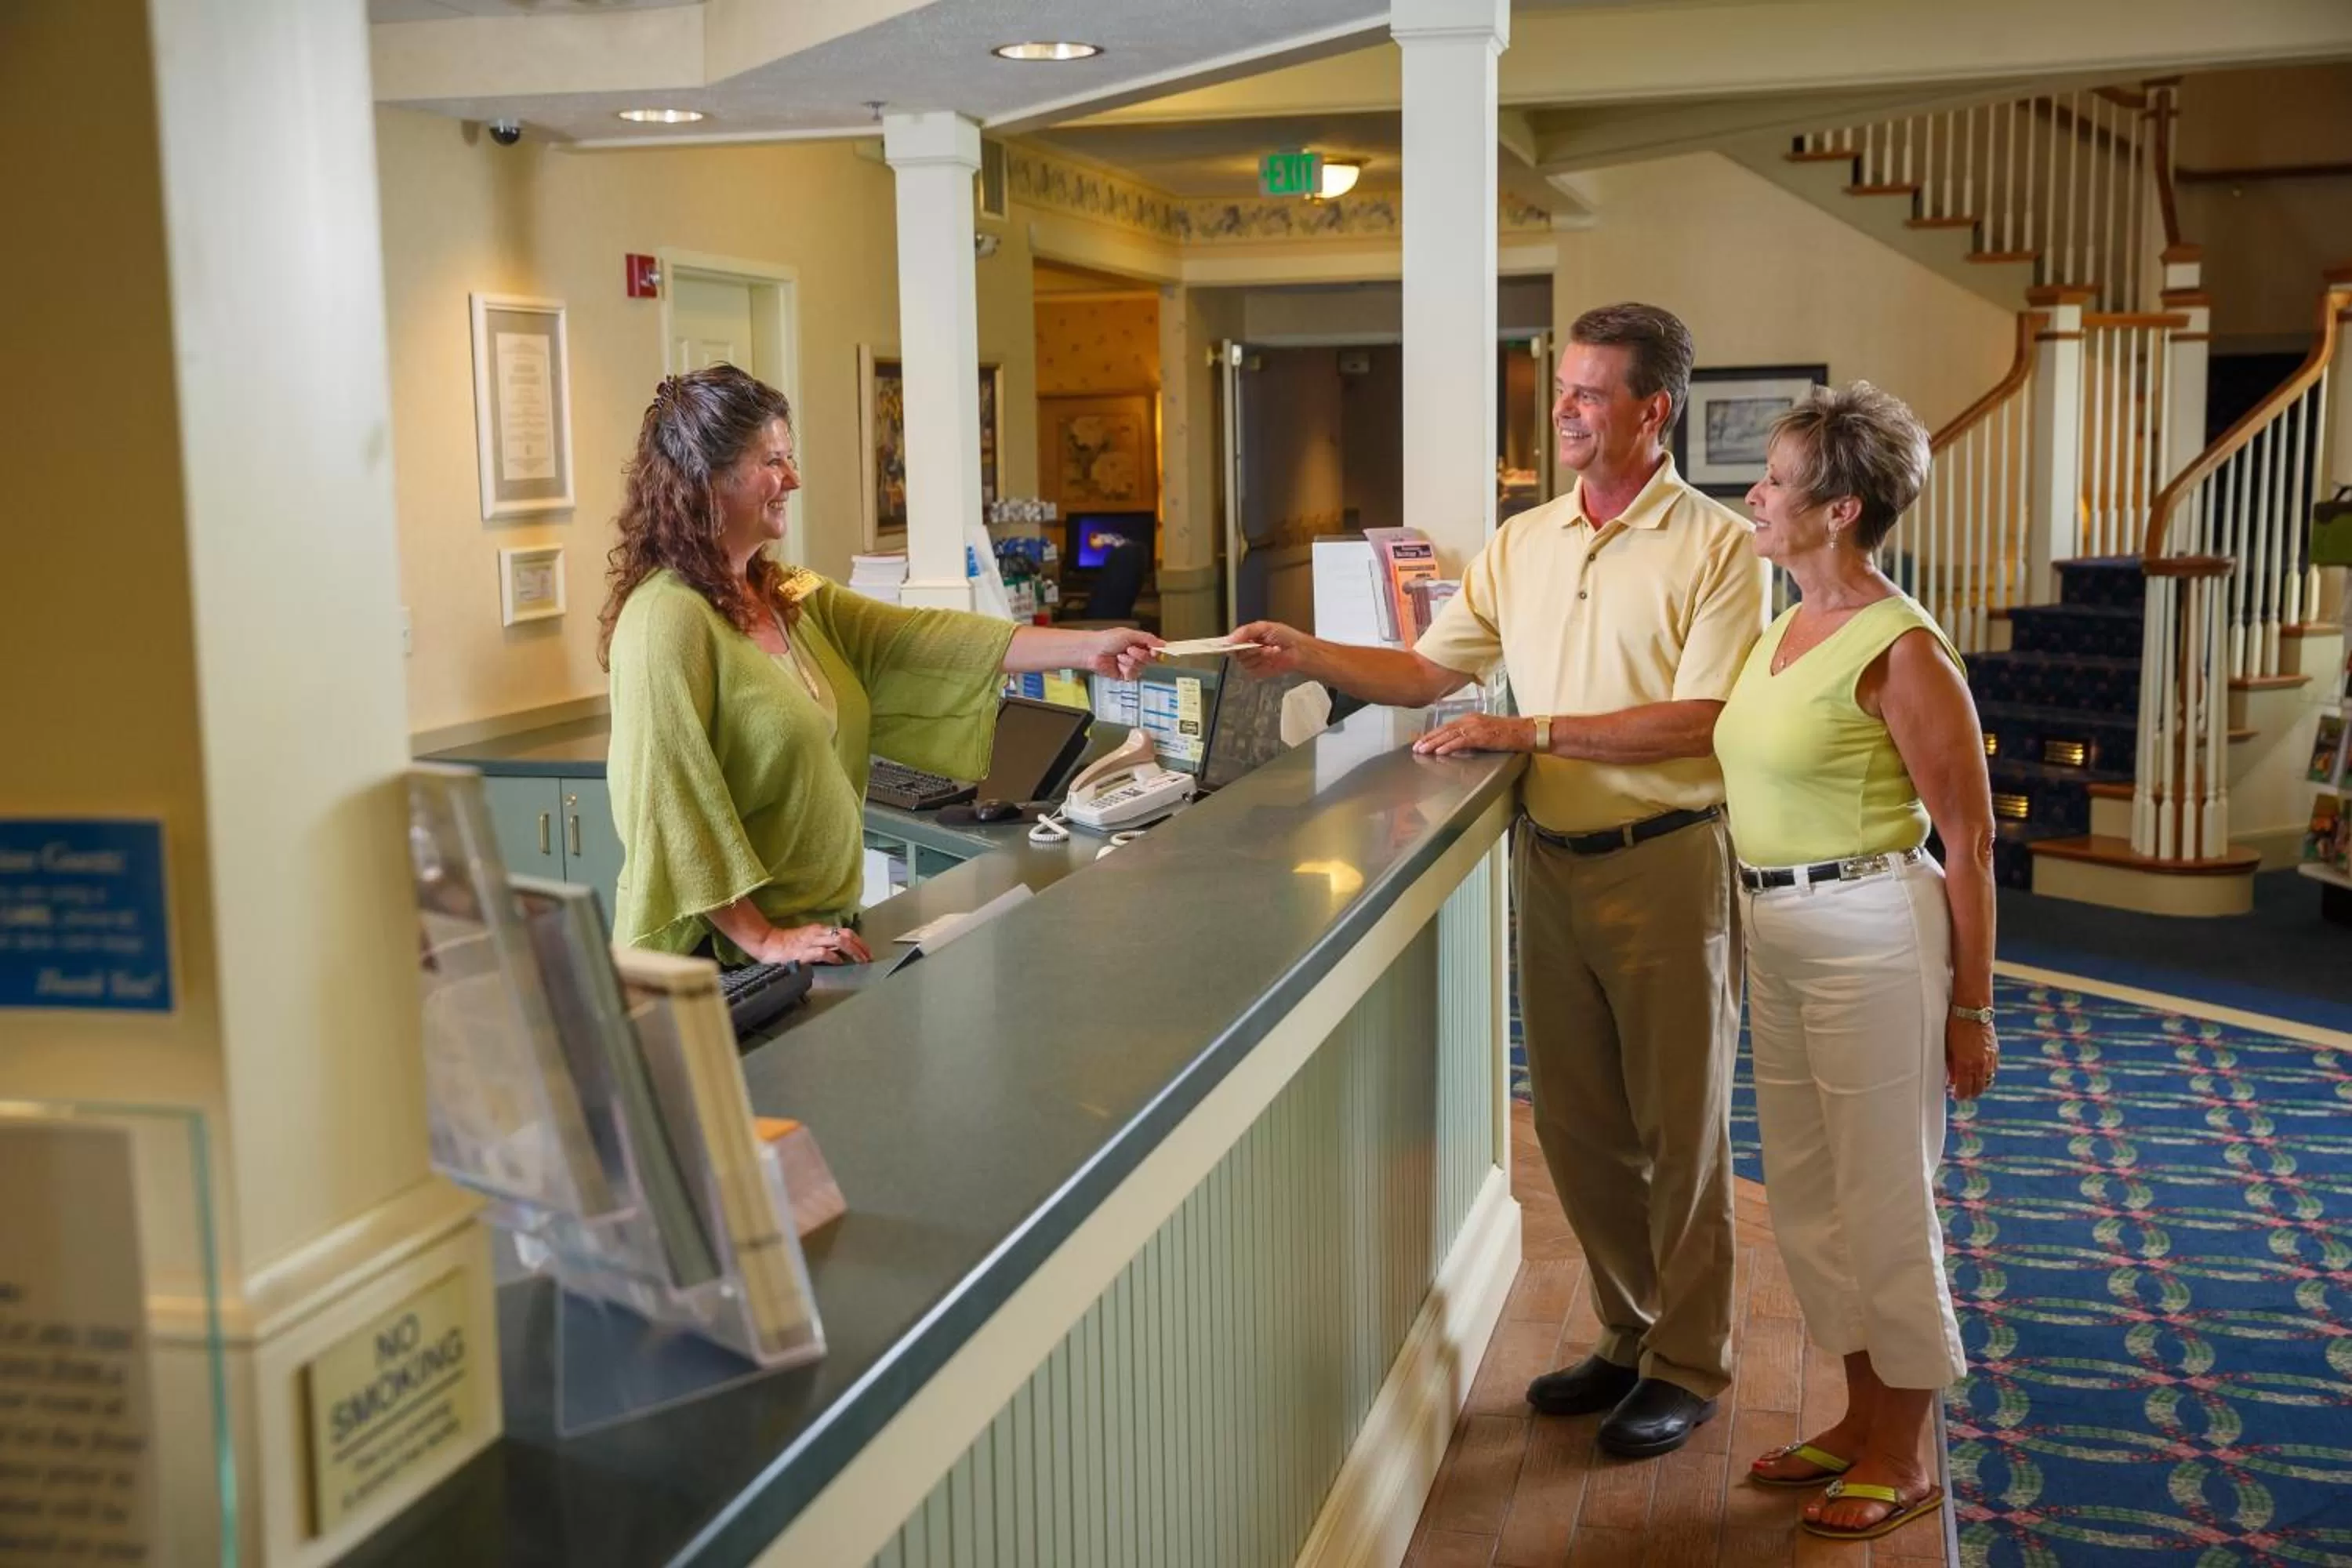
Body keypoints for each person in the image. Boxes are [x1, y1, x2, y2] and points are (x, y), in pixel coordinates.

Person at [1234, 303, 1765, 1459]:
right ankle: (1628, 1332)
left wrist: (1527, 732)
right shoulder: (1524, 542)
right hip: (1552, 868)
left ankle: (1690, 1359)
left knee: (1682, 1133)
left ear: (1651, 410)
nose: (1564, 411)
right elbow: (1430, 671)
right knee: (1578, 1128)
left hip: (1667, 866)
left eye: (1587, 394)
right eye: (1562, 390)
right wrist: (1309, 653)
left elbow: (1706, 720)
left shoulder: (1720, 547)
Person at [598, 364, 1158, 967]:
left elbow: (916, 639)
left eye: (790, 457)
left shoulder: (786, 593)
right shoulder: (665, 620)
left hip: (814, 936)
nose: (795, 479)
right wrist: (761, 939)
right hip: (719, 960)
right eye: (773, 462)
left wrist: (1085, 648)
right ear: (707, 480)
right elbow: (667, 802)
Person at [1714, 383, 1994, 1543]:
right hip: (1775, 935)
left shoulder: (1903, 644)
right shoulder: (1783, 625)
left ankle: (1905, 1450)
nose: (1754, 497)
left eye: (1775, 481)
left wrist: (1972, 1007)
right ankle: (1856, 1416)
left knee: (1884, 1198)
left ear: (1839, 511)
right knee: (1814, 1199)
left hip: (1877, 934)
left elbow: (1970, 838)